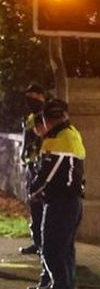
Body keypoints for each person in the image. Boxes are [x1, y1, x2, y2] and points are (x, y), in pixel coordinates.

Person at [28, 98, 85, 289]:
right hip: (70, 202)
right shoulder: (72, 133)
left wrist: (33, 192)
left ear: (47, 120)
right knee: (64, 251)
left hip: (60, 202)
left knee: (52, 250)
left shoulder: (58, 139)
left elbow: (46, 175)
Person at [19, 83, 47, 258]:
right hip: (32, 165)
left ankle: (43, 244)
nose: (30, 102)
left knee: (41, 206)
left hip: (42, 165)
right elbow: (27, 138)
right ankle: (37, 242)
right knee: (34, 207)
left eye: (33, 98)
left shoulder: (46, 116)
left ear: (41, 96)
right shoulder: (31, 117)